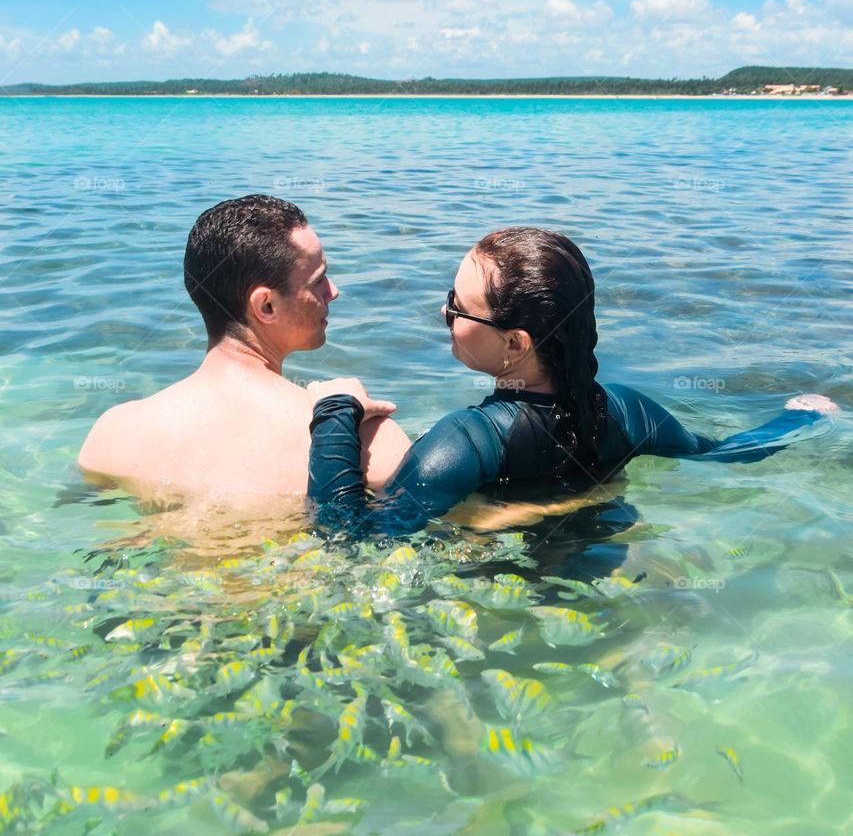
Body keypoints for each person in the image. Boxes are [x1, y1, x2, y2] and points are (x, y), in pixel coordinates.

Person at [307, 226, 838, 539]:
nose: (444, 312)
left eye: (457, 306)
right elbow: (722, 454)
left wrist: (334, 411)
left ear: (515, 343)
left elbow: (347, 534)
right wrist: (801, 417)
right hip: (602, 553)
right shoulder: (630, 413)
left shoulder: (467, 440)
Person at [77, 195, 409, 513]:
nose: (333, 291)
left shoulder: (113, 434)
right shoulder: (365, 441)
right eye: (317, 280)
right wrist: (340, 415)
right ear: (266, 306)